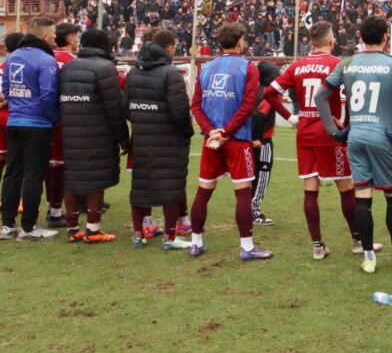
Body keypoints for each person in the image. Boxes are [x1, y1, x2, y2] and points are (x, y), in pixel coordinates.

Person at [315, 16, 392, 272]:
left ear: (360, 37)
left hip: (356, 138)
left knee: (362, 197)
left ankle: (368, 259)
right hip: (382, 138)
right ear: (386, 37)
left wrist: (332, 130)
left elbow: (320, 96)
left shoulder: (347, 63)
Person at [265, 21, 376, 259]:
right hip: (329, 132)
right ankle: (358, 241)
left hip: (304, 131)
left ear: (311, 42)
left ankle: (317, 246)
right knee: (345, 186)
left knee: (310, 187)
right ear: (330, 40)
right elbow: (354, 97)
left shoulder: (297, 65)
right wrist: (346, 123)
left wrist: (291, 117)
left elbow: (269, 93)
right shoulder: (338, 64)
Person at [189, 22, 271, 261]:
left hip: (211, 140)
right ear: (239, 42)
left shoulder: (206, 67)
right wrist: (226, 132)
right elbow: (247, 106)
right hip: (236, 140)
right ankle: (247, 247)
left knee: (204, 191)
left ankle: (196, 243)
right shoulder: (248, 68)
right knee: (242, 192)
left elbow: (195, 104)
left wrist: (211, 131)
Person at [124, 28, 194, 250]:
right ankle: (170, 238)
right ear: (170, 48)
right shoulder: (170, 73)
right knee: (171, 187)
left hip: (143, 137)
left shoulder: (133, 72)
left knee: (140, 186)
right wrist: (187, 132)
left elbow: (125, 106)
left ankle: (138, 236)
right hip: (168, 139)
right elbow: (179, 111)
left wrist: (142, 120)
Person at [58, 29, 128, 244]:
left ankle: (72, 230)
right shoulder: (105, 68)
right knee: (96, 180)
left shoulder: (68, 68)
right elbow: (114, 107)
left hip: (70, 130)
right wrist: (123, 138)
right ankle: (93, 229)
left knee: (72, 179)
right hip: (98, 133)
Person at [0, 17, 61, 241]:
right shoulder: (46, 60)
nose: (55, 38)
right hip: (37, 125)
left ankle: (7, 226)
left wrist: (17, 106)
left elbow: (6, 89)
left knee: (12, 173)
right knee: (34, 175)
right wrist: (54, 118)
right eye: (53, 35)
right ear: (44, 36)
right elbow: (48, 95)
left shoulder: (12, 57)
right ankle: (28, 227)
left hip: (14, 123)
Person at [43, 22, 79, 228]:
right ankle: (56, 211)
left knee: (49, 165)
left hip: (42, 118)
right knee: (60, 165)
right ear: (71, 39)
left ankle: (50, 206)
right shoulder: (72, 61)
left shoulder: (46, 57)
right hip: (64, 119)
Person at [249, 61, 289, 227]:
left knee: (252, 176)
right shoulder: (267, 93)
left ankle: (248, 209)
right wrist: (256, 137)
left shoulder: (255, 90)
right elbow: (258, 115)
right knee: (262, 176)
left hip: (253, 140)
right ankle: (254, 211)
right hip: (263, 142)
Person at [0, 33, 25, 182]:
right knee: (16, 161)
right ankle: (13, 200)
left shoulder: (3, 66)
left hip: (5, 118)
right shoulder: (20, 65)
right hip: (14, 118)